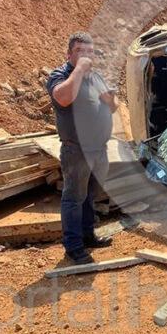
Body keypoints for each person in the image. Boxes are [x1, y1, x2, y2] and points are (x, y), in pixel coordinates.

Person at [45, 32, 118, 265]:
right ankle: (74, 247)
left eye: (89, 51)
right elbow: (64, 98)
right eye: (79, 51)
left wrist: (110, 100)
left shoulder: (96, 78)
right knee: (74, 198)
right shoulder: (60, 75)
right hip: (77, 150)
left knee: (90, 195)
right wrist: (79, 70)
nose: (86, 55)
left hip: (99, 149)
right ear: (69, 54)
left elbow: (113, 107)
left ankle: (88, 236)